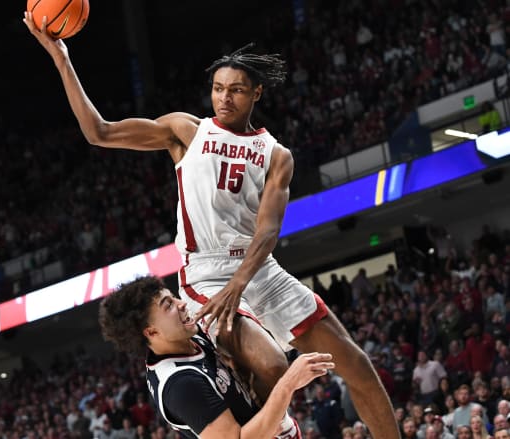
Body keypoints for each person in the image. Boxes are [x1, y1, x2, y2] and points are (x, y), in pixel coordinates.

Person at [24, 13, 398, 438]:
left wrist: (241, 283)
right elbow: (99, 132)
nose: (224, 98)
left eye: (236, 90)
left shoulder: (276, 155)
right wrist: (62, 58)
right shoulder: (186, 131)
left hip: (259, 271)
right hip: (206, 271)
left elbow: (269, 231)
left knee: (358, 366)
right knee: (275, 365)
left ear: (256, 93)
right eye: (218, 89)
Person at [98, 275, 335, 438]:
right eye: (168, 305)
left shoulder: (188, 338)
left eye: (174, 298)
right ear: (151, 332)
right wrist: (287, 383)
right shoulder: (181, 385)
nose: (181, 305)